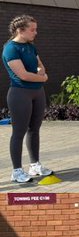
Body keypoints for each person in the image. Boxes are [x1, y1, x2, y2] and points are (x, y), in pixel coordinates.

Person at [3, 15, 52, 184]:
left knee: (34, 129)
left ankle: (35, 165)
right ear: (20, 30)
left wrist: (40, 72)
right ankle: (17, 171)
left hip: (37, 93)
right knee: (19, 132)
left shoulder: (31, 46)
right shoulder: (10, 49)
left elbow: (40, 65)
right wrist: (43, 78)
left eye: (35, 29)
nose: (35, 33)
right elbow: (23, 75)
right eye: (32, 30)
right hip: (20, 94)